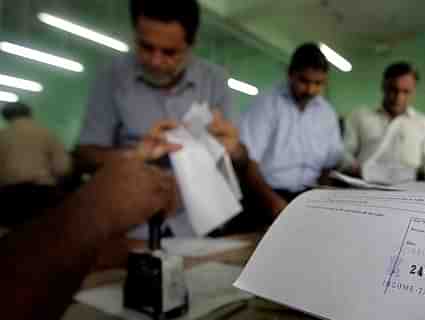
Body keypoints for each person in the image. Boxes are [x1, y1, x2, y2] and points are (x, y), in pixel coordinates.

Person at [75, 0, 283, 235]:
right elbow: (83, 157)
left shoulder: (213, 81)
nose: (155, 61)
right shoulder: (111, 77)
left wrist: (234, 150)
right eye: (145, 47)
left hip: (200, 225)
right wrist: (134, 155)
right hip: (131, 226)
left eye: (169, 52)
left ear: (191, 45)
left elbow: (241, 160)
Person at [0, 130, 180, 320]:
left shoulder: (4, 136)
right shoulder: (44, 134)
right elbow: (64, 168)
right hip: (39, 197)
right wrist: (93, 211)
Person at [238, 43, 344, 201]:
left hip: (309, 196)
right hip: (265, 194)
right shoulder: (267, 103)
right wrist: (273, 204)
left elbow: (329, 164)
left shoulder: (327, 113)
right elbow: (248, 162)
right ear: (290, 73)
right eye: (304, 81)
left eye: (318, 83)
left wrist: (322, 200)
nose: (310, 90)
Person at [342, 62, 425, 181]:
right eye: (393, 90)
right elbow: (344, 153)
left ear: (414, 91)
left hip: (411, 193)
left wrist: (422, 175)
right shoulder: (359, 118)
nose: (398, 97)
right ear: (383, 86)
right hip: (363, 189)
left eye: (406, 92)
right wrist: (353, 168)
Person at [0, 102, 71, 187]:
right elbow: (62, 166)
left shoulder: (3, 135)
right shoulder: (47, 133)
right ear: (29, 114)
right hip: (42, 187)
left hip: (8, 188)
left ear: (5, 117)